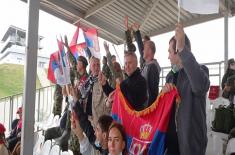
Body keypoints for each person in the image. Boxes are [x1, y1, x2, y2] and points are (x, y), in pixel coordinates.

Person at [162, 24, 210, 155]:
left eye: (169, 52)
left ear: (178, 51)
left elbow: (200, 87)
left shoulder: (201, 71)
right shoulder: (170, 76)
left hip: (191, 145)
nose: (168, 57)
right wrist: (163, 94)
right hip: (172, 143)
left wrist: (183, 49)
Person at [44, 87, 71, 152]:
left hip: (67, 130)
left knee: (61, 142)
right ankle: (46, 151)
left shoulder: (73, 103)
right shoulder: (68, 103)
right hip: (60, 128)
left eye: (64, 92)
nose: (63, 94)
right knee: (48, 132)